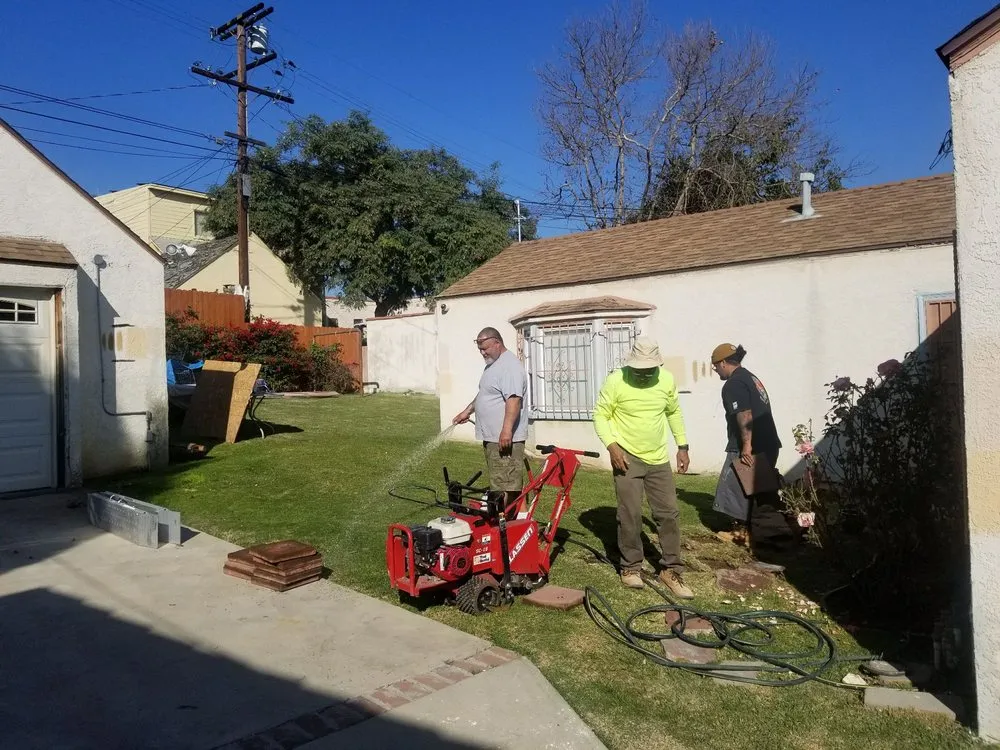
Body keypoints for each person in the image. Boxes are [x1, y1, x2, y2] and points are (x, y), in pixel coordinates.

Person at [593, 336, 694, 598]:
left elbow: (673, 412)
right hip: (626, 457)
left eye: (649, 369)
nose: (644, 374)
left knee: (669, 513)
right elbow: (601, 415)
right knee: (630, 513)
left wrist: (682, 445)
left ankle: (671, 570)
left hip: (658, 459)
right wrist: (612, 446)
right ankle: (630, 566)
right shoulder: (616, 380)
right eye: (639, 369)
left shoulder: (666, 380)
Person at [709, 343, 793, 556]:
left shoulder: (734, 383)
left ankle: (741, 533)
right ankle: (771, 533)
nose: (715, 370)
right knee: (759, 491)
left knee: (733, 487)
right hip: (769, 443)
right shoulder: (750, 378)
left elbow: (744, 414)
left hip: (752, 445)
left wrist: (746, 445)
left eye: (715, 365)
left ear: (723, 362)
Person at [452, 327, 528, 503]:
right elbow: (485, 394)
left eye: (485, 348)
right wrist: (467, 411)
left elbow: (514, 400)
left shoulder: (510, 367)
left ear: (497, 343)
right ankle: (516, 518)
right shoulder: (493, 365)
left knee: (506, 486)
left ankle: (506, 518)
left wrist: (506, 431)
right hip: (494, 438)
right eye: (480, 349)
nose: (482, 353)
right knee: (504, 482)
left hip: (505, 439)